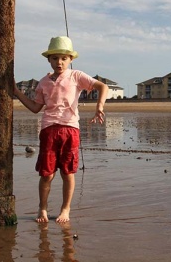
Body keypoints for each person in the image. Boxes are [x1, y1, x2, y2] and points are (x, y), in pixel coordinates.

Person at [14, 36, 108, 223]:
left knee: (68, 172)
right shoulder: (43, 82)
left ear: (71, 59)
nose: (59, 62)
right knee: (47, 174)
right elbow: (35, 107)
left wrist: (100, 106)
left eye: (64, 58)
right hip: (48, 129)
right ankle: (42, 208)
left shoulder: (76, 76)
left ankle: (65, 209)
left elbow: (102, 86)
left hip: (70, 129)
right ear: (48, 59)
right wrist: (16, 92)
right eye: (55, 58)